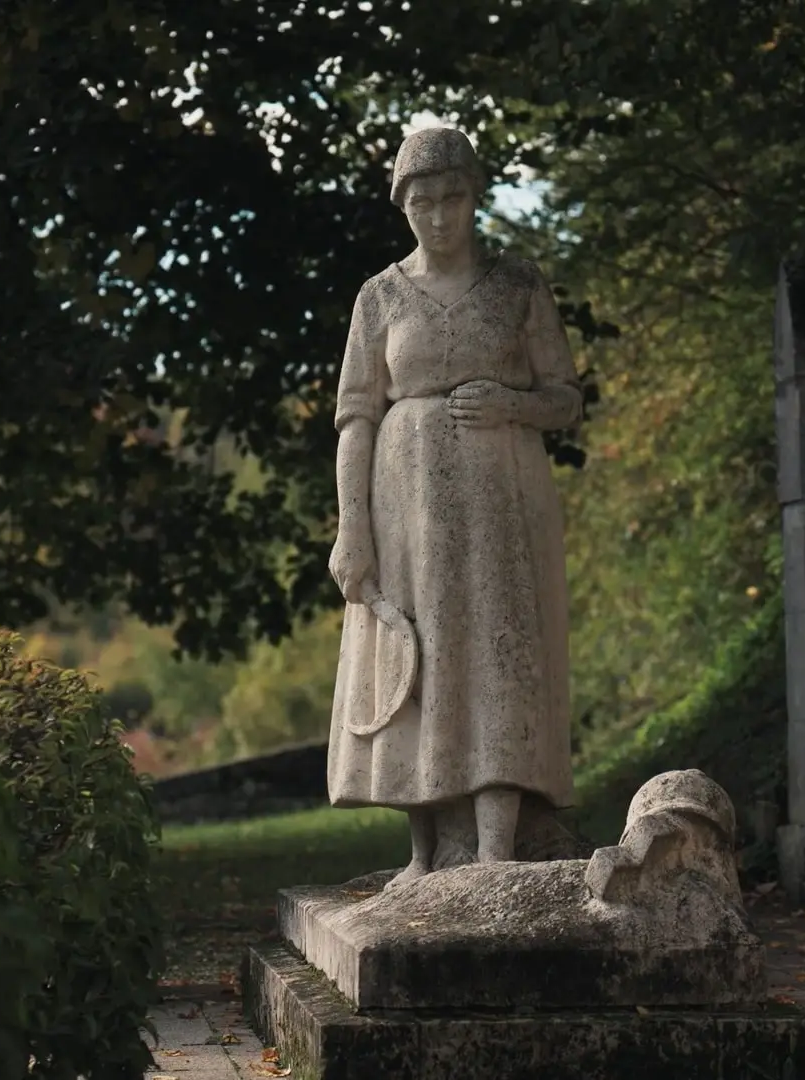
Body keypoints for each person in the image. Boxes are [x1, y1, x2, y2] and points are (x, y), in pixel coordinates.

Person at [327, 126, 584, 890]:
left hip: (502, 498)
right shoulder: (379, 296)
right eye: (423, 202)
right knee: (418, 659)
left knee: (498, 650)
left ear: (476, 198)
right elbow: (355, 416)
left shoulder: (517, 286)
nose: (439, 216)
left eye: (453, 198)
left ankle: (498, 848)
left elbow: (565, 397)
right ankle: (426, 852)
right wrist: (352, 527)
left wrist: (512, 404)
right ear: (402, 206)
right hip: (403, 503)